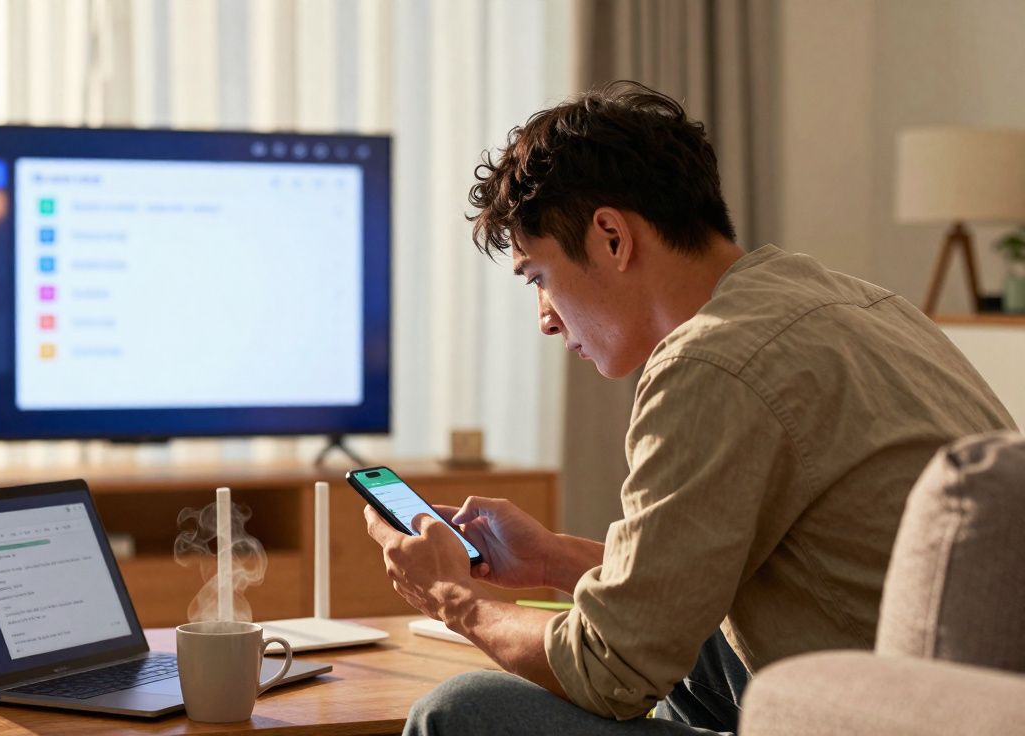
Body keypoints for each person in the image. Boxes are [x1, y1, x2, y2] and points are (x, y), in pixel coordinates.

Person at [363, 80, 1016, 735]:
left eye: (538, 277)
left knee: (461, 713)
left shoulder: (710, 363)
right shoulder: (865, 307)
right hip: (955, 698)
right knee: (695, 642)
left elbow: (607, 673)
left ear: (612, 237)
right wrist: (554, 560)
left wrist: (452, 597)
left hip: (866, 713)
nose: (545, 320)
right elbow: (696, 586)